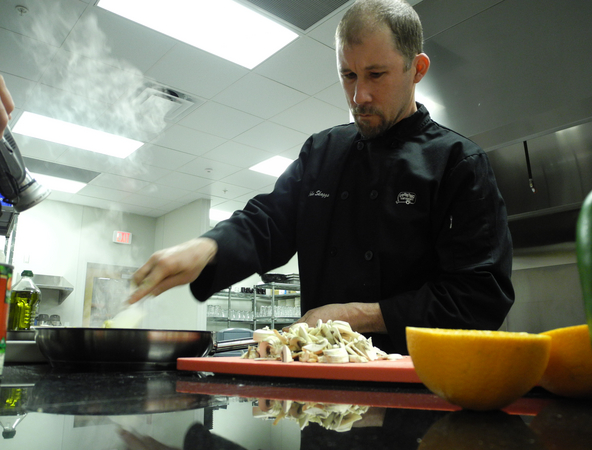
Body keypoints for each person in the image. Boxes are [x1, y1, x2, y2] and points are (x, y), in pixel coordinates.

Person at [0, 0, 515, 354]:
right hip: (323, 401)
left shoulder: (457, 163)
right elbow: (269, 221)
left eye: (376, 75)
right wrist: (205, 249)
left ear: (417, 68)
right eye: (347, 74)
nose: (359, 95)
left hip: (417, 399)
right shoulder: (325, 150)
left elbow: (482, 297)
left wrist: (361, 315)